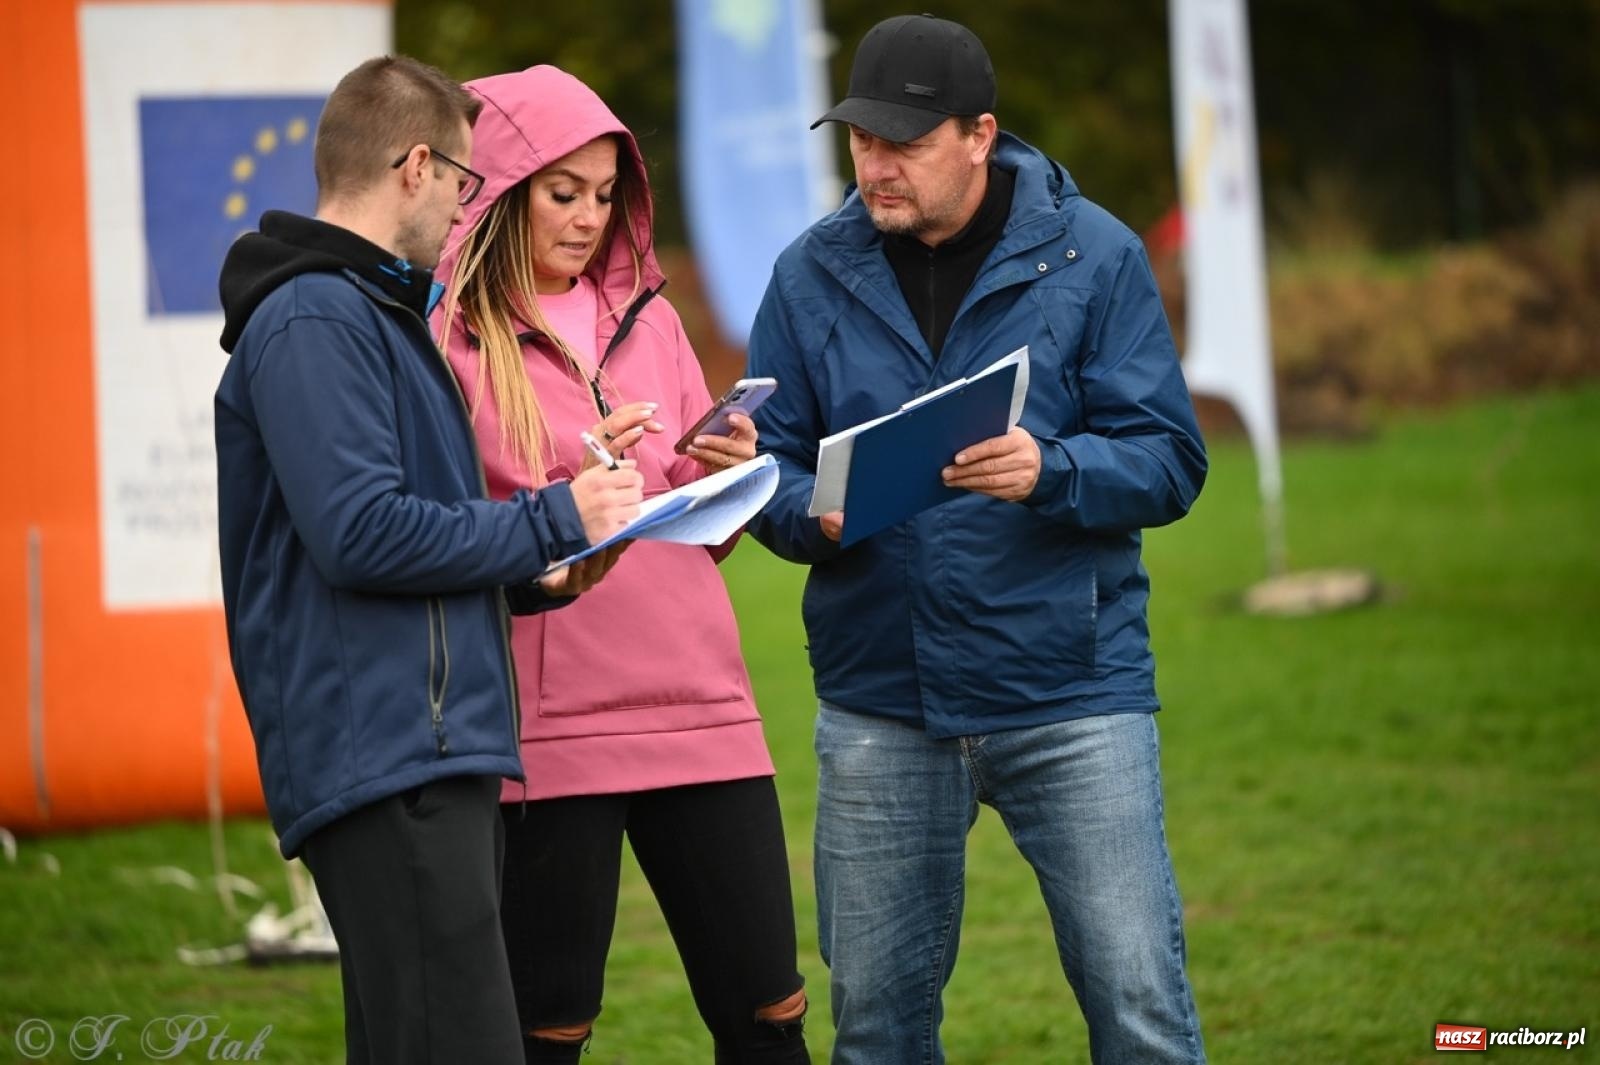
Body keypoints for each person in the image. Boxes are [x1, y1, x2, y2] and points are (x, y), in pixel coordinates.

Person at [746, 15, 1209, 1065]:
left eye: (903, 143)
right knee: (873, 1031)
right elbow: (764, 462)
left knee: (1139, 1011)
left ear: (980, 135)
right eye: (861, 140)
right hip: (881, 701)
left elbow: (1170, 459)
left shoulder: (1097, 255)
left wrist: (1053, 472)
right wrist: (803, 513)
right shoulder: (808, 271)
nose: (875, 166)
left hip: (1071, 691)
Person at [214, 55, 644, 1065]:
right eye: (463, 181)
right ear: (416, 165)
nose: (467, 207)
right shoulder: (317, 316)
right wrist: (549, 520)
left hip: (422, 749)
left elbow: (411, 532)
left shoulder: (368, 312)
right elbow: (361, 533)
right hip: (388, 753)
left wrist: (531, 576)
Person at [432, 65, 810, 1064]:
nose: (589, 218)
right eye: (564, 192)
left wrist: (719, 471)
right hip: (552, 732)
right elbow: (452, 535)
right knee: (544, 1036)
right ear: (504, 187)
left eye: (605, 195)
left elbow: (697, 530)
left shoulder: (655, 318)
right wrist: (577, 474)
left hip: (705, 708)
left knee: (771, 1024)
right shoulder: (445, 341)